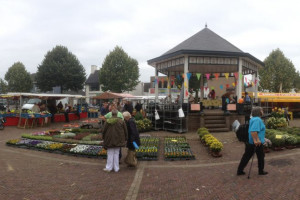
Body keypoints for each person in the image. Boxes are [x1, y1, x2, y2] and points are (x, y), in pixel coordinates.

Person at [237, 107, 268, 176]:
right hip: (256, 143)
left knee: (246, 156)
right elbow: (253, 131)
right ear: (258, 112)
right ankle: (261, 171)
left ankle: (240, 170)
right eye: (261, 110)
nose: (262, 111)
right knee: (261, 157)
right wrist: (256, 141)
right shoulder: (257, 120)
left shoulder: (253, 119)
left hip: (250, 142)